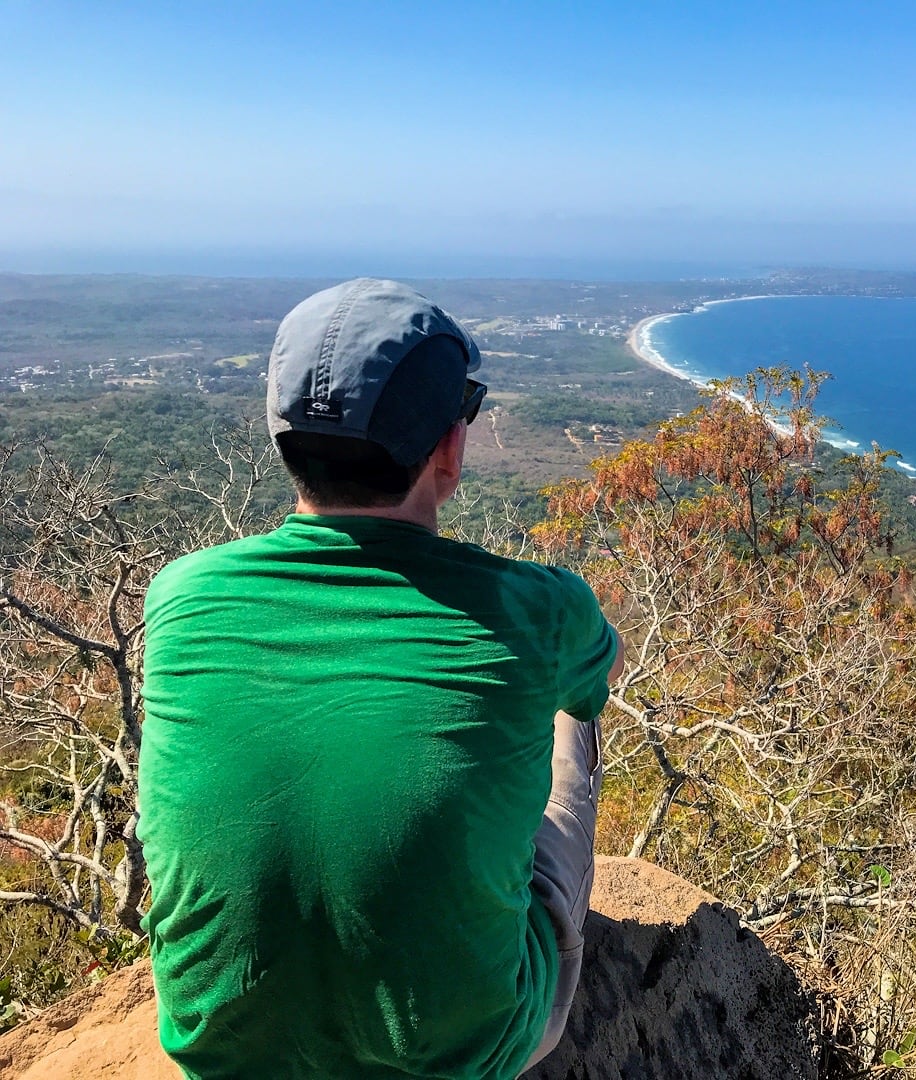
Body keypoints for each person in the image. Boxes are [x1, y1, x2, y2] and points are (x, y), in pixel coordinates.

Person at [138, 278, 621, 1079]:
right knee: (576, 714)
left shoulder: (180, 595)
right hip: (469, 1050)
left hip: (225, 1055)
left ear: (280, 439)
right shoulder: (540, 607)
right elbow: (599, 677)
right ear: (449, 449)